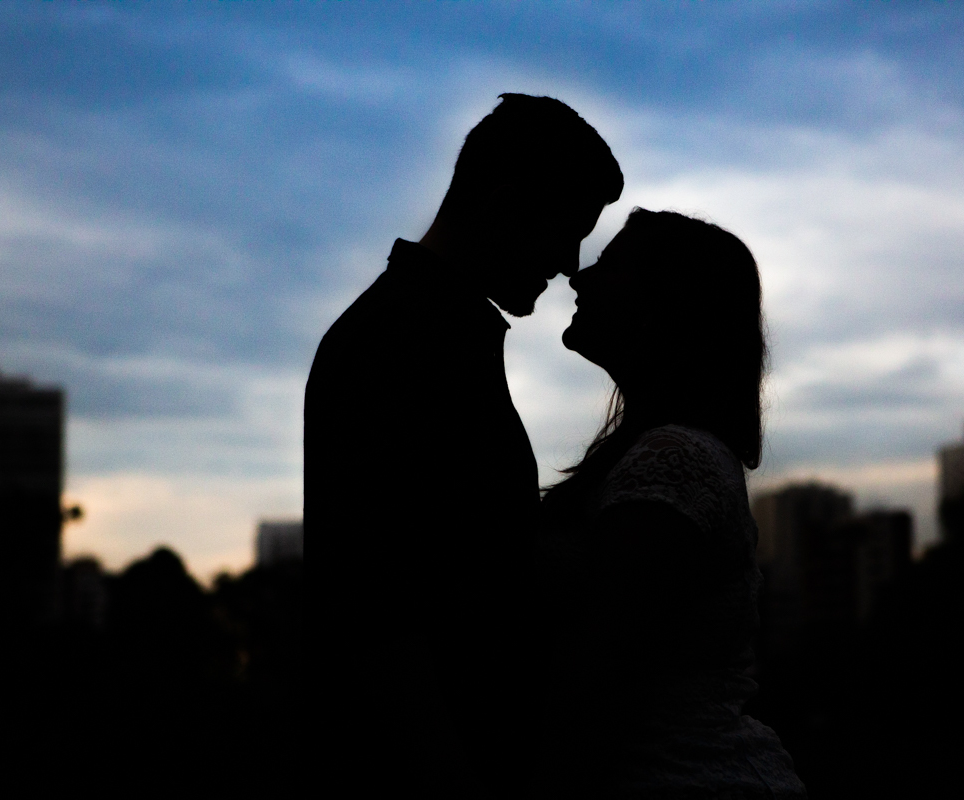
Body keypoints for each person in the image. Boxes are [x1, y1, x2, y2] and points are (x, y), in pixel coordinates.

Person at [304, 94, 622, 795]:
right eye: (567, 231)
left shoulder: (424, 330)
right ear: (507, 205)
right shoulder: (402, 341)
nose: (570, 264)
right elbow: (375, 605)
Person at [535, 209, 807, 798]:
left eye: (609, 265)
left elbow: (597, 679)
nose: (578, 277)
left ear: (664, 304)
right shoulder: (668, 453)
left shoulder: (673, 460)